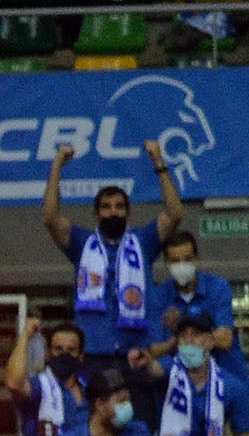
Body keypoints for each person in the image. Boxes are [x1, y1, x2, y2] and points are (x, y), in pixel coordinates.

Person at [40, 139, 184, 366]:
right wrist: (58, 163)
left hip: (137, 353)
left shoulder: (143, 241)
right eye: (106, 207)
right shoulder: (82, 243)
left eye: (119, 206)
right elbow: (50, 218)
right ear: (96, 214)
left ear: (128, 212)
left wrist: (158, 161)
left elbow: (175, 214)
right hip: (93, 353)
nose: (113, 212)